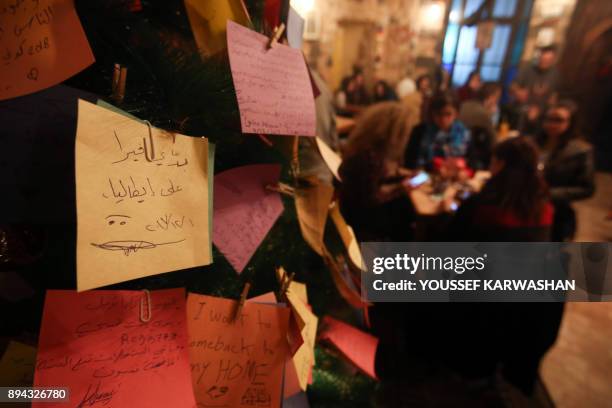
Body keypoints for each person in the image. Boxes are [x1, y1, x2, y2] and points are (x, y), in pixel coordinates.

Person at [446, 138, 561, 400]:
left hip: (479, 304)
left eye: (493, 161)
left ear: (500, 165)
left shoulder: (481, 207)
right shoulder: (546, 208)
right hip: (526, 304)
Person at [338, 101, 418, 241]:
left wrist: (398, 180)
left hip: (351, 213)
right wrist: (400, 188)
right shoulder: (370, 157)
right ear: (393, 132)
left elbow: (370, 186)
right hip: (362, 223)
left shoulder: (364, 148)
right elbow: (371, 199)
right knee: (407, 209)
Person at [536, 100, 595, 241]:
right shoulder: (535, 142)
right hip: (527, 208)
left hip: (557, 213)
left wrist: (548, 194)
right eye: (549, 119)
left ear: (570, 123)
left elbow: (587, 188)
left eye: (558, 120)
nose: (552, 124)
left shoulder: (580, 150)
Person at [405, 91, 470, 170]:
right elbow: (409, 162)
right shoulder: (420, 131)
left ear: (456, 114)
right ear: (432, 113)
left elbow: (472, 162)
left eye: (448, 114)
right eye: (439, 114)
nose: (443, 119)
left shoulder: (463, 133)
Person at [510, 45, 561, 134]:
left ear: (553, 60)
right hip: (522, 111)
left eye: (548, 61)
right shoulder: (527, 69)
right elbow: (513, 86)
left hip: (542, 114)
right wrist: (517, 92)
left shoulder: (555, 74)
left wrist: (551, 107)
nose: (544, 62)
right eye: (542, 59)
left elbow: (554, 97)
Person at [459, 82, 502, 169]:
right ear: (491, 97)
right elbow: (494, 142)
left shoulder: (465, 104)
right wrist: (491, 114)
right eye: (497, 98)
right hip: (468, 157)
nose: (497, 102)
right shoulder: (483, 114)